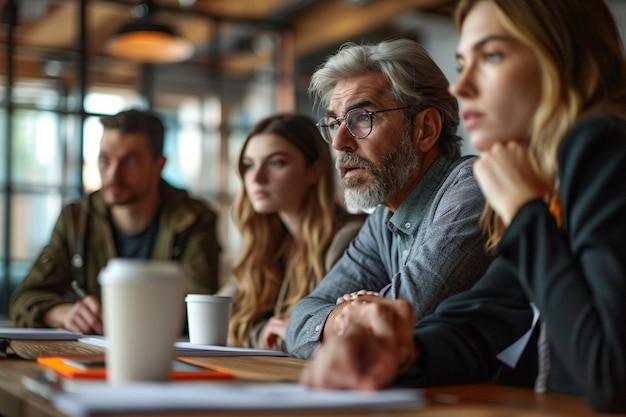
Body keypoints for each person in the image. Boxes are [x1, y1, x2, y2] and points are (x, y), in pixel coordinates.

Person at [299, 0, 626, 413]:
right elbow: (483, 320)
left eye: (491, 55)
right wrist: (401, 354)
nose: (460, 87)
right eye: (462, 63)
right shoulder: (550, 179)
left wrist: (526, 213)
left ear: (561, 62)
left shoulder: (602, 145)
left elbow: (609, 374)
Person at [286, 38, 493, 359]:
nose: (340, 143)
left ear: (424, 129)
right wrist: (346, 316)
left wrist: (340, 318)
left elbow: (405, 320)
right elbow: (299, 323)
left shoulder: (473, 188)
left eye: (362, 118)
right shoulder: (383, 219)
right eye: (334, 123)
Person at [9, 109, 221, 335]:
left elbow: (201, 307)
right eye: (104, 160)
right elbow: (25, 298)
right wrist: (64, 313)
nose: (113, 174)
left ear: (158, 164)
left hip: (166, 356)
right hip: (90, 355)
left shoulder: (194, 219)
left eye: (129, 161)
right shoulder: (77, 218)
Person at [218, 113, 365, 352]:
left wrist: (265, 334)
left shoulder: (349, 239)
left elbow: (325, 340)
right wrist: (262, 333)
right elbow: (211, 320)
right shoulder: (269, 244)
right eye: (249, 165)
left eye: (276, 162)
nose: (256, 178)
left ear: (314, 171)